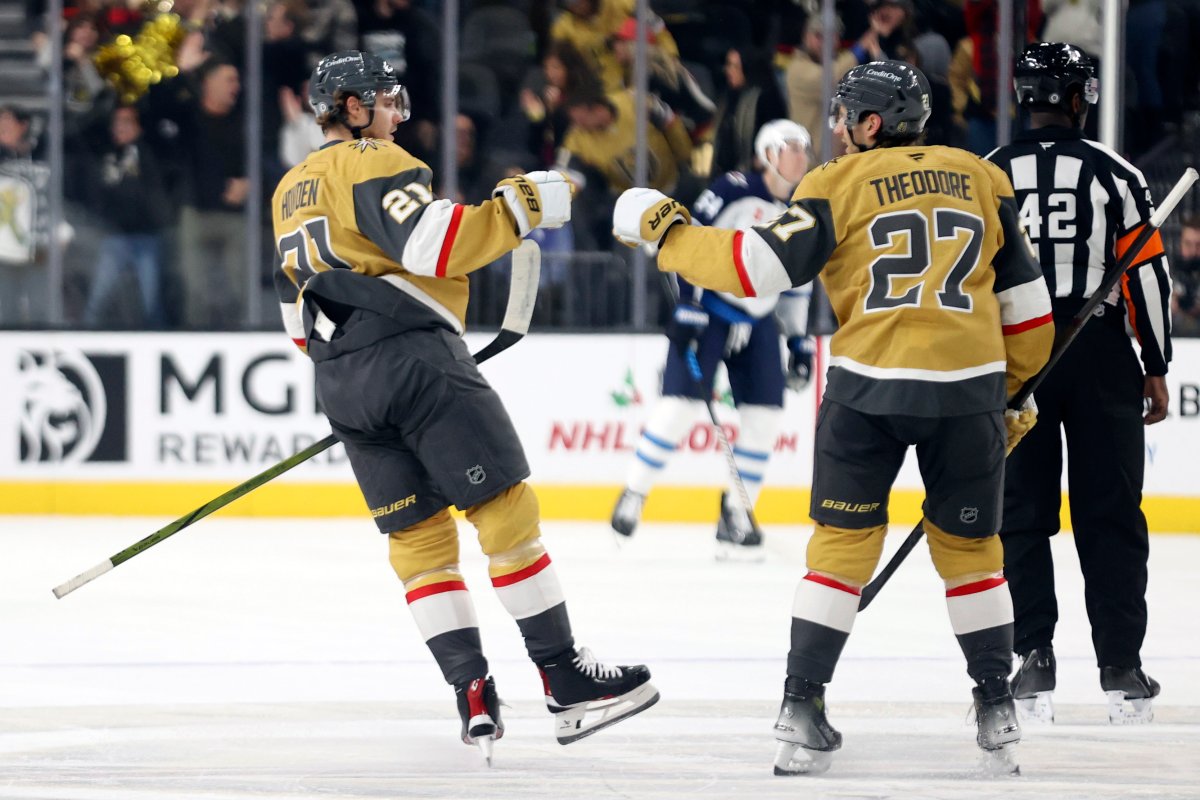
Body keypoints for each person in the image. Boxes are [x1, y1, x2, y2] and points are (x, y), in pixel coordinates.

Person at [613, 61, 1054, 775]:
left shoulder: (833, 184)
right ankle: (997, 707)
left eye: (846, 114)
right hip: (967, 393)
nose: (837, 126)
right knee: (973, 556)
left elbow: (755, 267)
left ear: (870, 123)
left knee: (841, 553)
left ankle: (801, 704)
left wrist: (668, 232)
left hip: (867, 392)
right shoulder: (981, 177)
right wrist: (1013, 391)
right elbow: (1029, 314)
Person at [270, 51, 658, 763]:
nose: (396, 115)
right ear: (352, 108)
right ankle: (564, 677)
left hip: (342, 383)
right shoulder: (372, 159)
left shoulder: (289, 188)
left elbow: (297, 324)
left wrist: (360, 369)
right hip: (416, 362)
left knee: (417, 545)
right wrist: (523, 205)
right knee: (505, 513)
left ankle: (472, 694)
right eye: (386, 102)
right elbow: (435, 243)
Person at [986, 43, 1173, 725]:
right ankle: (1121, 667)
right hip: (1098, 357)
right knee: (1111, 514)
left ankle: (1033, 659)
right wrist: (1155, 363)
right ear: (1077, 97)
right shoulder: (1115, 174)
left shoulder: (988, 173)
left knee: (1021, 517)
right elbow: (1147, 275)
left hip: (1015, 358)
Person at [610, 119, 816, 555]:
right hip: (710, 313)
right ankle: (634, 492)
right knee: (679, 409)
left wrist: (798, 339)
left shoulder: (807, 208)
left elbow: (799, 279)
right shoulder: (732, 189)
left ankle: (736, 514)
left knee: (765, 419)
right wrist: (689, 304)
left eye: (805, 147)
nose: (800, 155)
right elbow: (689, 239)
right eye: (790, 147)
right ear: (767, 154)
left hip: (760, 320)